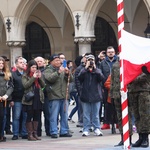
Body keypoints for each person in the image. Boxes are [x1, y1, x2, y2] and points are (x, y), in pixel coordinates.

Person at [44, 54, 73, 138]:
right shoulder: (48, 69)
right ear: (51, 62)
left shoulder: (63, 68)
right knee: (54, 115)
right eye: (56, 60)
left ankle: (64, 131)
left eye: (59, 60)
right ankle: (53, 131)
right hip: (54, 96)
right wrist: (58, 72)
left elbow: (71, 80)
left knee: (64, 115)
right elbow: (49, 78)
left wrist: (68, 73)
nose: (58, 62)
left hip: (64, 95)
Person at [78, 54, 104, 136]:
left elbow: (101, 78)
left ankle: (97, 128)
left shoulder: (97, 70)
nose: (91, 62)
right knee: (86, 114)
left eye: (92, 60)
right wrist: (86, 68)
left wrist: (95, 69)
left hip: (96, 95)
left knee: (96, 114)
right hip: (85, 95)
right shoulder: (83, 70)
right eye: (89, 60)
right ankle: (86, 129)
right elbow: (79, 78)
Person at [110, 58, 133, 146]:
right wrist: (111, 94)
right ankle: (123, 137)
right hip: (116, 94)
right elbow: (112, 80)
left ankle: (129, 137)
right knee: (120, 117)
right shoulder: (115, 64)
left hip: (127, 93)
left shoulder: (128, 62)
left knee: (128, 116)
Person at [22, 60, 45, 141]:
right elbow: (25, 85)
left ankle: (35, 133)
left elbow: (43, 86)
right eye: (33, 67)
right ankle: (30, 134)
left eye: (35, 67)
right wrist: (33, 78)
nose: (34, 69)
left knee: (37, 116)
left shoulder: (38, 75)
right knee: (29, 116)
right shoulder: (25, 75)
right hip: (30, 99)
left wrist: (40, 78)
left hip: (38, 97)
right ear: (29, 67)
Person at [128, 66, 150, 148]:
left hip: (144, 91)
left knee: (144, 115)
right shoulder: (130, 62)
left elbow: (146, 76)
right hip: (133, 91)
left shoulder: (144, 61)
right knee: (137, 115)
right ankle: (140, 136)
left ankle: (145, 137)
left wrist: (132, 78)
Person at [99, 46, 118, 131]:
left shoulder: (118, 61)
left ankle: (118, 122)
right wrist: (102, 86)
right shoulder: (103, 63)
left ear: (115, 53)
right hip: (106, 87)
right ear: (106, 53)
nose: (111, 53)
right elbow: (100, 74)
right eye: (109, 52)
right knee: (107, 106)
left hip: (117, 87)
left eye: (112, 52)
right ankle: (106, 123)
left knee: (117, 105)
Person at [11, 56, 28, 140]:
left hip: (26, 99)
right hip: (17, 99)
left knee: (25, 116)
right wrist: (11, 100)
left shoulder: (26, 73)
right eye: (21, 63)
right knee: (16, 117)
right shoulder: (13, 74)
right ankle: (15, 133)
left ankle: (24, 132)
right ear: (16, 65)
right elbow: (11, 87)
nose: (23, 64)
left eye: (24, 63)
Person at [34, 56, 49, 136]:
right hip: (37, 96)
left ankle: (48, 130)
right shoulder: (33, 71)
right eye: (37, 61)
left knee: (47, 114)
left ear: (44, 62)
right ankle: (37, 131)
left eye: (41, 61)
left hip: (46, 95)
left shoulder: (47, 70)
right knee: (37, 115)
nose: (39, 62)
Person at [0, 57, 13, 142]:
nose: (1, 65)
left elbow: (11, 86)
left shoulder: (7, 74)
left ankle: (1, 134)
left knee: (3, 117)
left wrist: (6, 95)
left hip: (4, 100)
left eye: (2, 64)